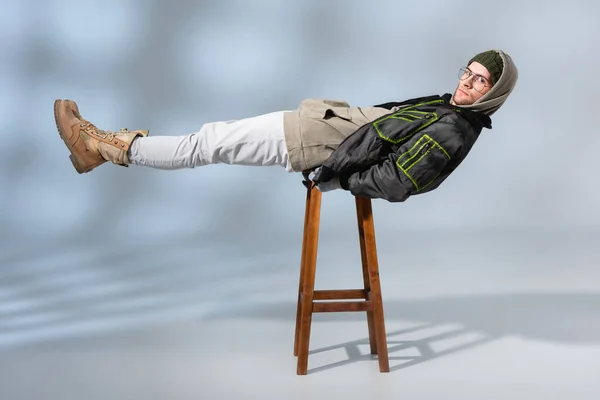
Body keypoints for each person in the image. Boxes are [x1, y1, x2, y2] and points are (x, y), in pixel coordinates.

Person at [53, 49, 518, 202]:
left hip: (311, 143)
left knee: (204, 145)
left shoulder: (454, 129)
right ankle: (102, 147)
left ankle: (102, 145)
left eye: (480, 81)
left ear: (493, 93)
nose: (467, 83)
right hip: (311, 128)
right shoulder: (446, 109)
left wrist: (334, 177)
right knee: (208, 139)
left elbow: (398, 181)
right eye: (468, 72)